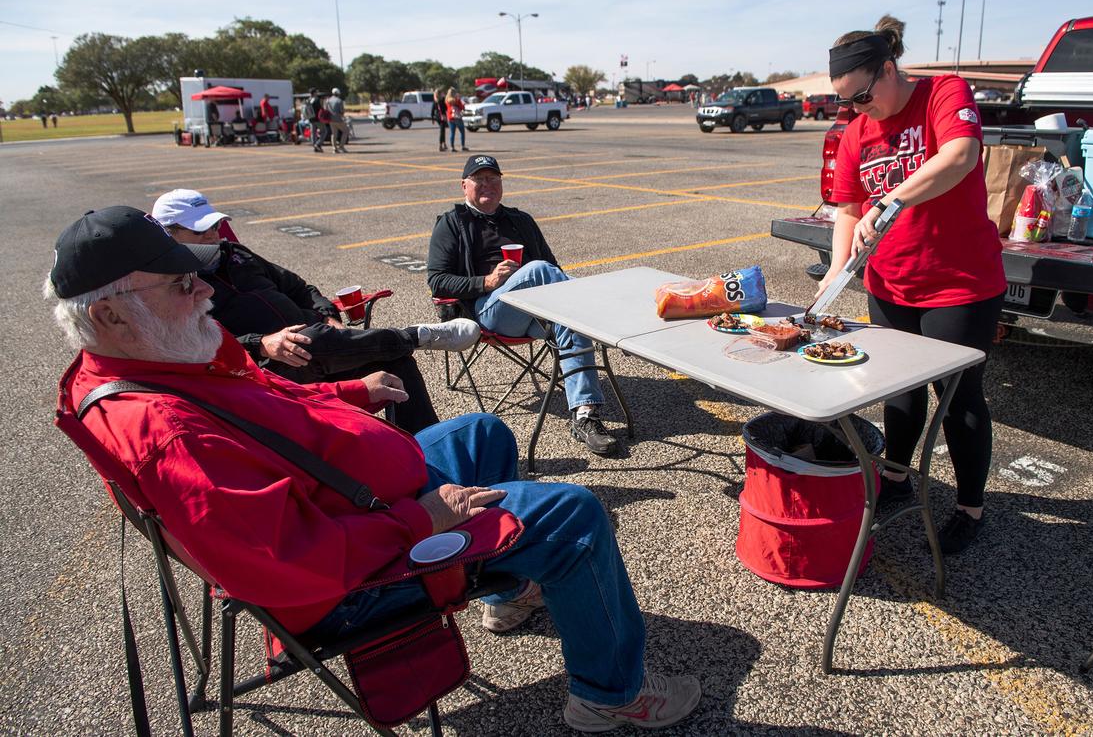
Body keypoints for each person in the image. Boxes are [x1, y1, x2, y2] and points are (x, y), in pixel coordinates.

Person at [47, 205, 702, 732]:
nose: (204, 291)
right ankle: (608, 695)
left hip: (353, 500)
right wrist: (417, 519)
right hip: (357, 572)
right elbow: (289, 562)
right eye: (182, 282)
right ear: (108, 313)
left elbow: (267, 402)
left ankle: (507, 597)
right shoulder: (161, 427)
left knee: (481, 432)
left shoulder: (152, 360)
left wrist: (347, 395)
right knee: (575, 512)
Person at [820, 15, 1006, 554]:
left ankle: (970, 509)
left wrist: (891, 198)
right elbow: (847, 209)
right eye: (846, 101)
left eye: (862, 95)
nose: (857, 109)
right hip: (891, 282)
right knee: (899, 388)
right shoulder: (857, 131)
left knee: (958, 395)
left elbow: (960, 156)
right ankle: (898, 479)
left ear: (888, 68)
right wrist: (837, 269)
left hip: (960, 282)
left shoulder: (942, 94)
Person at [151, 190, 478, 435]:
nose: (213, 235)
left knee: (396, 364)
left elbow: (297, 287)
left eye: (215, 225)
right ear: (167, 234)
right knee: (307, 339)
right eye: (200, 231)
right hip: (265, 374)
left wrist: (325, 314)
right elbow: (195, 345)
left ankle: (426, 452)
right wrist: (261, 343)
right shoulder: (173, 287)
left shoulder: (234, 253)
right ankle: (412, 336)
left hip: (321, 348)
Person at [427, 156, 622, 457]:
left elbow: (555, 269)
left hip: (537, 309)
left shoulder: (520, 220)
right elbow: (438, 281)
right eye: (480, 179)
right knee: (540, 272)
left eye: (494, 178)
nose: (487, 185)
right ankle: (600, 316)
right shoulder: (452, 224)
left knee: (568, 315)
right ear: (464, 185)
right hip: (489, 310)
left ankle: (585, 416)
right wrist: (487, 282)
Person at [326, 88, 349, 153]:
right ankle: (341, 146)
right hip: (338, 119)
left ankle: (334, 148)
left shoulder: (328, 100)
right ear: (338, 93)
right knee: (346, 131)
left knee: (334, 134)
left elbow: (326, 109)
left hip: (330, 119)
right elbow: (342, 111)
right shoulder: (339, 100)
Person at [445, 87, 468, 153]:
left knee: (452, 133)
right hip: (457, 117)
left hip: (450, 117)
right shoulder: (456, 100)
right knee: (462, 132)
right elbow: (461, 107)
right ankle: (463, 146)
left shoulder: (447, 100)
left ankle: (452, 147)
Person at [303, 87, 325, 152]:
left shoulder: (308, 100)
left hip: (310, 119)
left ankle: (314, 146)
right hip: (317, 119)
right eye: (316, 92)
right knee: (324, 131)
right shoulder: (316, 100)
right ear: (314, 93)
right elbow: (321, 109)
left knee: (313, 133)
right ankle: (318, 144)